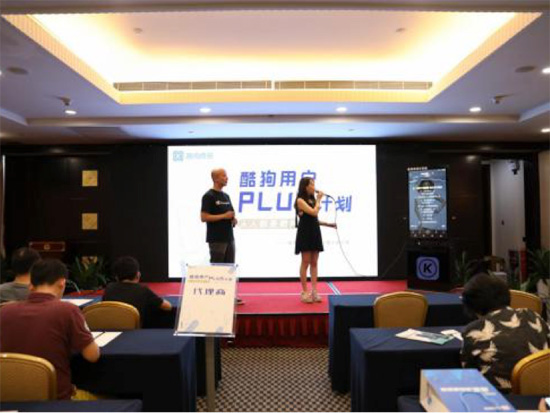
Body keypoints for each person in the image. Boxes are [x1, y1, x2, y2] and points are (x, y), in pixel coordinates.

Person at [0, 259, 100, 400]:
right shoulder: (68, 310)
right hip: (56, 400)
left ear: (31, 286)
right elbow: (92, 355)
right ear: (62, 283)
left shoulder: (5, 311)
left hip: (8, 398)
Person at [460, 273, 550, 392]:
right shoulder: (532, 315)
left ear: (472, 306)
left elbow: (468, 375)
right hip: (542, 390)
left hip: (499, 397)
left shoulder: (473, 331)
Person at [201, 168, 243, 305]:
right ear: (216, 178)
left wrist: (233, 220)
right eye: (223, 176)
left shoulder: (226, 196)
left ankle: (229, 297)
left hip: (229, 237)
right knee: (218, 269)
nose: (226, 178)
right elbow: (204, 217)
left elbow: (230, 214)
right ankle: (215, 298)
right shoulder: (209, 196)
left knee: (229, 269)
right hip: (216, 238)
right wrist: (224, 216)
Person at [294, 177, 336, 303]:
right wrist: (319, 200)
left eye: (314, 184)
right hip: (305, 233)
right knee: (305, 261)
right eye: (311, 184)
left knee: (314, 262)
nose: (314, 187)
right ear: (305, 187)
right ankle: (304, 292)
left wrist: (328, 224)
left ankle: (314, 291)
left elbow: (314, 219)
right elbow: (313, 213)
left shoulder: (312, 200)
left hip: (315, 232)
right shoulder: (300, 200)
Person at [103, 256, 172, 327]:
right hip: (134, 331)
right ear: (138, 274)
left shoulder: (109, 288)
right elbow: (168, 307)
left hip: (110, 330)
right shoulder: (143, 290)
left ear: (116, 277)